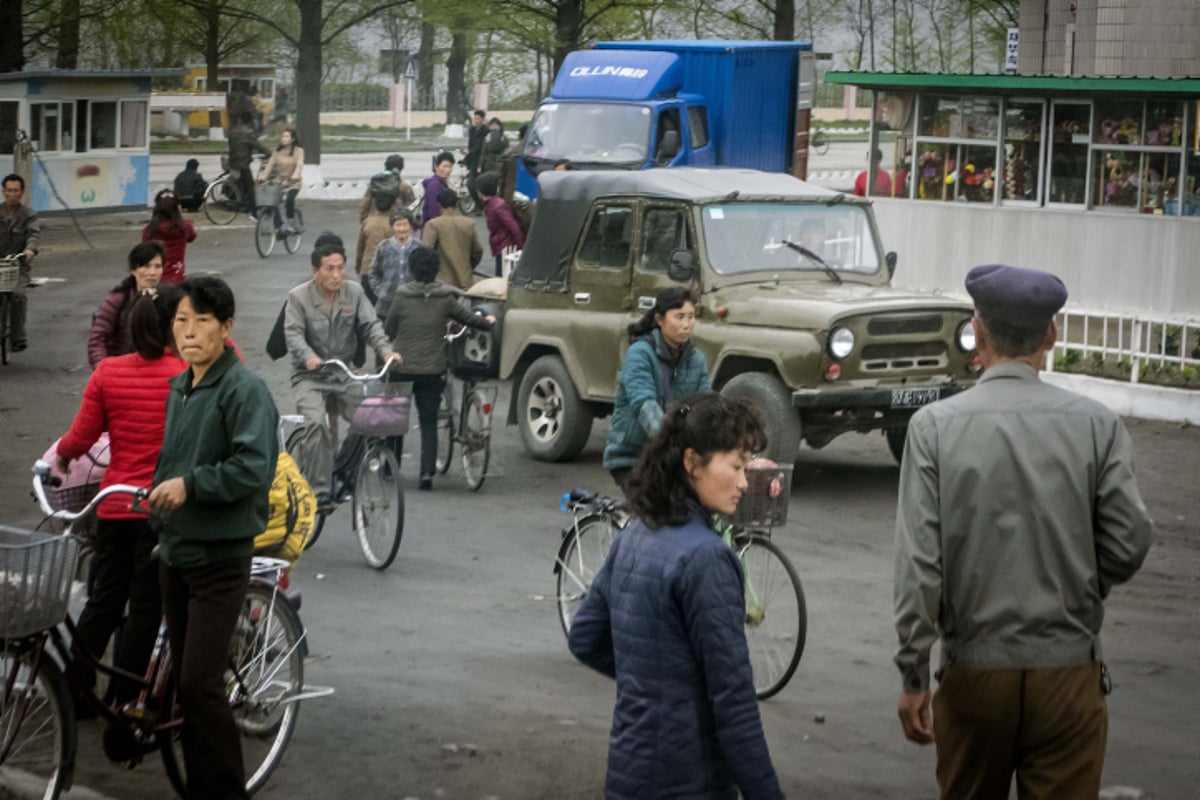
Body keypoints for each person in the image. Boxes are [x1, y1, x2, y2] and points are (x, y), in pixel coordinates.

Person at [893, 263, 1155, 800]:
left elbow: (920, 566)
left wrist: (914, 673)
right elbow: (1131, 539)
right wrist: (1080, 576)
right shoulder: (1097, 425)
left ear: (978, 331)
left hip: (974, 674)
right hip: (1069, 673)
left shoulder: (934, 428)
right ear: (1052, 336)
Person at [568, 392, 784, 800]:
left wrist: (655, 685)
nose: (743, 481)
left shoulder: (634, 533)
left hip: (628, 772)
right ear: (691, 463)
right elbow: (734, 705)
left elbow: (585, 638)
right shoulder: (707, 559)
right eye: (736, 466)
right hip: (689, 782)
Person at [147, 276, 278, 800]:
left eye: (203, 321)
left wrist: (191, 485)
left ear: (226, 328)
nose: (191, 332)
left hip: (220, 559)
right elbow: (172, 461)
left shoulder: (244, 391)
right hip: (176, 552)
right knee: (187, 688)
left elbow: (252, 468)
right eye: (182, 321)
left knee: (201, 684)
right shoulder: (182, 386)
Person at [59, 290, 186, 710]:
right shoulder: (183, 375)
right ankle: (123, 700)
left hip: (113, 506)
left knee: (104, 603)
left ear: (130, 329)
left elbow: (80, 438)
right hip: (159, 508)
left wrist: (60, 459)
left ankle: (74, 693)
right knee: (145, 609)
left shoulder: (108, 373)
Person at [284, 243, 398, 503]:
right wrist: (309, 356)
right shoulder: (298, 297)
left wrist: (386, 351)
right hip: (309, 376)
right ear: (315, 271)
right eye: (329, 269)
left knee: (372, 420)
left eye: (340, 268)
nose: (336, 275)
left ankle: (342, 469)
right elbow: (293, 334)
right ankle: (318, 491)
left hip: (343, 374)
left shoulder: (354, 292)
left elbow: (371, 325)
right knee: (315, 424)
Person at [383, 246, 493, 490]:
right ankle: (426, 473)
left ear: (411, 270)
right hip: (433, 369)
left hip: (402, 365)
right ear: (435, 271)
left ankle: (390, 468)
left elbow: (389, 328)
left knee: (395, 418)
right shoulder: (445, 298)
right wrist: (488, 322)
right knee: (429, 421)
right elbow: (469, 318)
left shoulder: (401, 296)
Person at [603, 287, 711, 492]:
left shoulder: (696, 359)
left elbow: (706, 408)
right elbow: (645, 406)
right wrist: (672, 445)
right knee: (658, 516)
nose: (686, 324)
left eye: (691, 316)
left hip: (674, 460)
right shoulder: (639, 354)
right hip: (633, 457)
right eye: (679, 317)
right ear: (660, 319)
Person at [88, 241, 164, 368]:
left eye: (157, 266)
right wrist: (103, 369)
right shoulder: (119, 299)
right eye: (146, 266)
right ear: (133, 270)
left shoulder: (169, 299)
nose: (152, 272)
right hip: (121, 368)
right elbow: (97, 338)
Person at [0, 173, 40, 353]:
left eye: (16, 190)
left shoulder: (28, 215)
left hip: (18, 265)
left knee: (18, 296)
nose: (12, 194)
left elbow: (34, 234)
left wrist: (30, 250)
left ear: (22, 192)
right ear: (4, 192)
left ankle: (18, 338)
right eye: (9, 190)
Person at [421, 187, 483, 289]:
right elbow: (478, 250)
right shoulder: (468, 223)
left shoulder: (433, 225)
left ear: (439, 205)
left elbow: (426, 252)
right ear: (457, 203)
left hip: (441, 281)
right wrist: (468, 266)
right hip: (465, 280)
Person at [366, 208, 418, 319]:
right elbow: (373, 272)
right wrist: (381, 292)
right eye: (398, 225)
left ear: (410, 226)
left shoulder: (418, 246)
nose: (402, 229)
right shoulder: (384, 247)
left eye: (405, 225)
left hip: (412, 303)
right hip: (387, 306)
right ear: (392, 227)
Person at [142, 188, 196, 284]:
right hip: (177, 277)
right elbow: (192, 237)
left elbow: (144, 249)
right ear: (177, 209)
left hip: (155, 279)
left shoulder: (150, 230)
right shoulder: (185, 228)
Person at [475, 171, 524, 277]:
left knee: (502, 278)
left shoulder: (497, 206)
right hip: (502, 247)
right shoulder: (494, 204)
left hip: (506, 249)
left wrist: (520, 248)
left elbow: (513, 226)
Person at [260, 128, 304, 232]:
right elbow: (269, 166)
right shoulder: (277, 152)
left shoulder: (299, 151)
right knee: (272, 201)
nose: (284, 139)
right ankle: (278, 225)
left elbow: (299, 164)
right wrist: (263, 177)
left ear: (292, 139)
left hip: (293, 182)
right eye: (283, 136)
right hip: (279, 182)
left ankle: (290, 222)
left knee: (289, 199)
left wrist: (296, 174)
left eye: (287, 136)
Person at [228, 112, 269, 216]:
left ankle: (245, 206)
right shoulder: (248, 133)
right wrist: (271, 153)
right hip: (242, 164)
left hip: (233, 162)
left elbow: (240, 146)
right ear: (250, 121)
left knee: (243, 186)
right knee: (250, 187)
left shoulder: (233, 132)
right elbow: (258, 146)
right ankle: (254, 212)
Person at [358, 154, 415, 226]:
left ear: (386, 166)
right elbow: (411, 209)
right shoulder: (404, 186)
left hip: (373, 224)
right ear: (401, 168)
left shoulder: (375, 183)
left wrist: (363, 223)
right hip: (395, 225)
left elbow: (364, 205)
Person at [421, 151, 455, 229]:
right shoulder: (434, 185)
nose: (447, 170)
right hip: (434, 229)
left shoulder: (443, 183)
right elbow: (433, 212)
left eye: (450, 167)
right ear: (436, 167)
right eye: (444, 166)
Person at [465, 110, 487, 205]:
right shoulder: (472, 130)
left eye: (478, 118)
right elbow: (470, 144)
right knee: (470, 184)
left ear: (483, 119)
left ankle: (482, 204)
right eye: (475, 118)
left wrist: (471, 151)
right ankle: (479, 204)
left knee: (477, 184)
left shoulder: (486, 131)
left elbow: (481, 146)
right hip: (472, 161)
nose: (476, 120)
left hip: (482, 161)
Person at [480, 117, 510, 186]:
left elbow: (483, 152)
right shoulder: (488, 137)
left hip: (495, 163)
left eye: (495, 125)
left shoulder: (502, 138)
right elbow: (483, 152)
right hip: (493, 163)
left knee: (495, 181)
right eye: (492, 125)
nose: (493, 127)